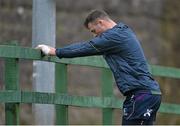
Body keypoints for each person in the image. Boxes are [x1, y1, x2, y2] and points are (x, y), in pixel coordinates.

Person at [36, 10, 162, 125]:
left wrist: (56, 51)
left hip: (141, 94)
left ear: (100, 23)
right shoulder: (123, 31)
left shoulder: (114, 36)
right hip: (149, 93)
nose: (94, 36)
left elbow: (86, 47)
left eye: (93, 31)